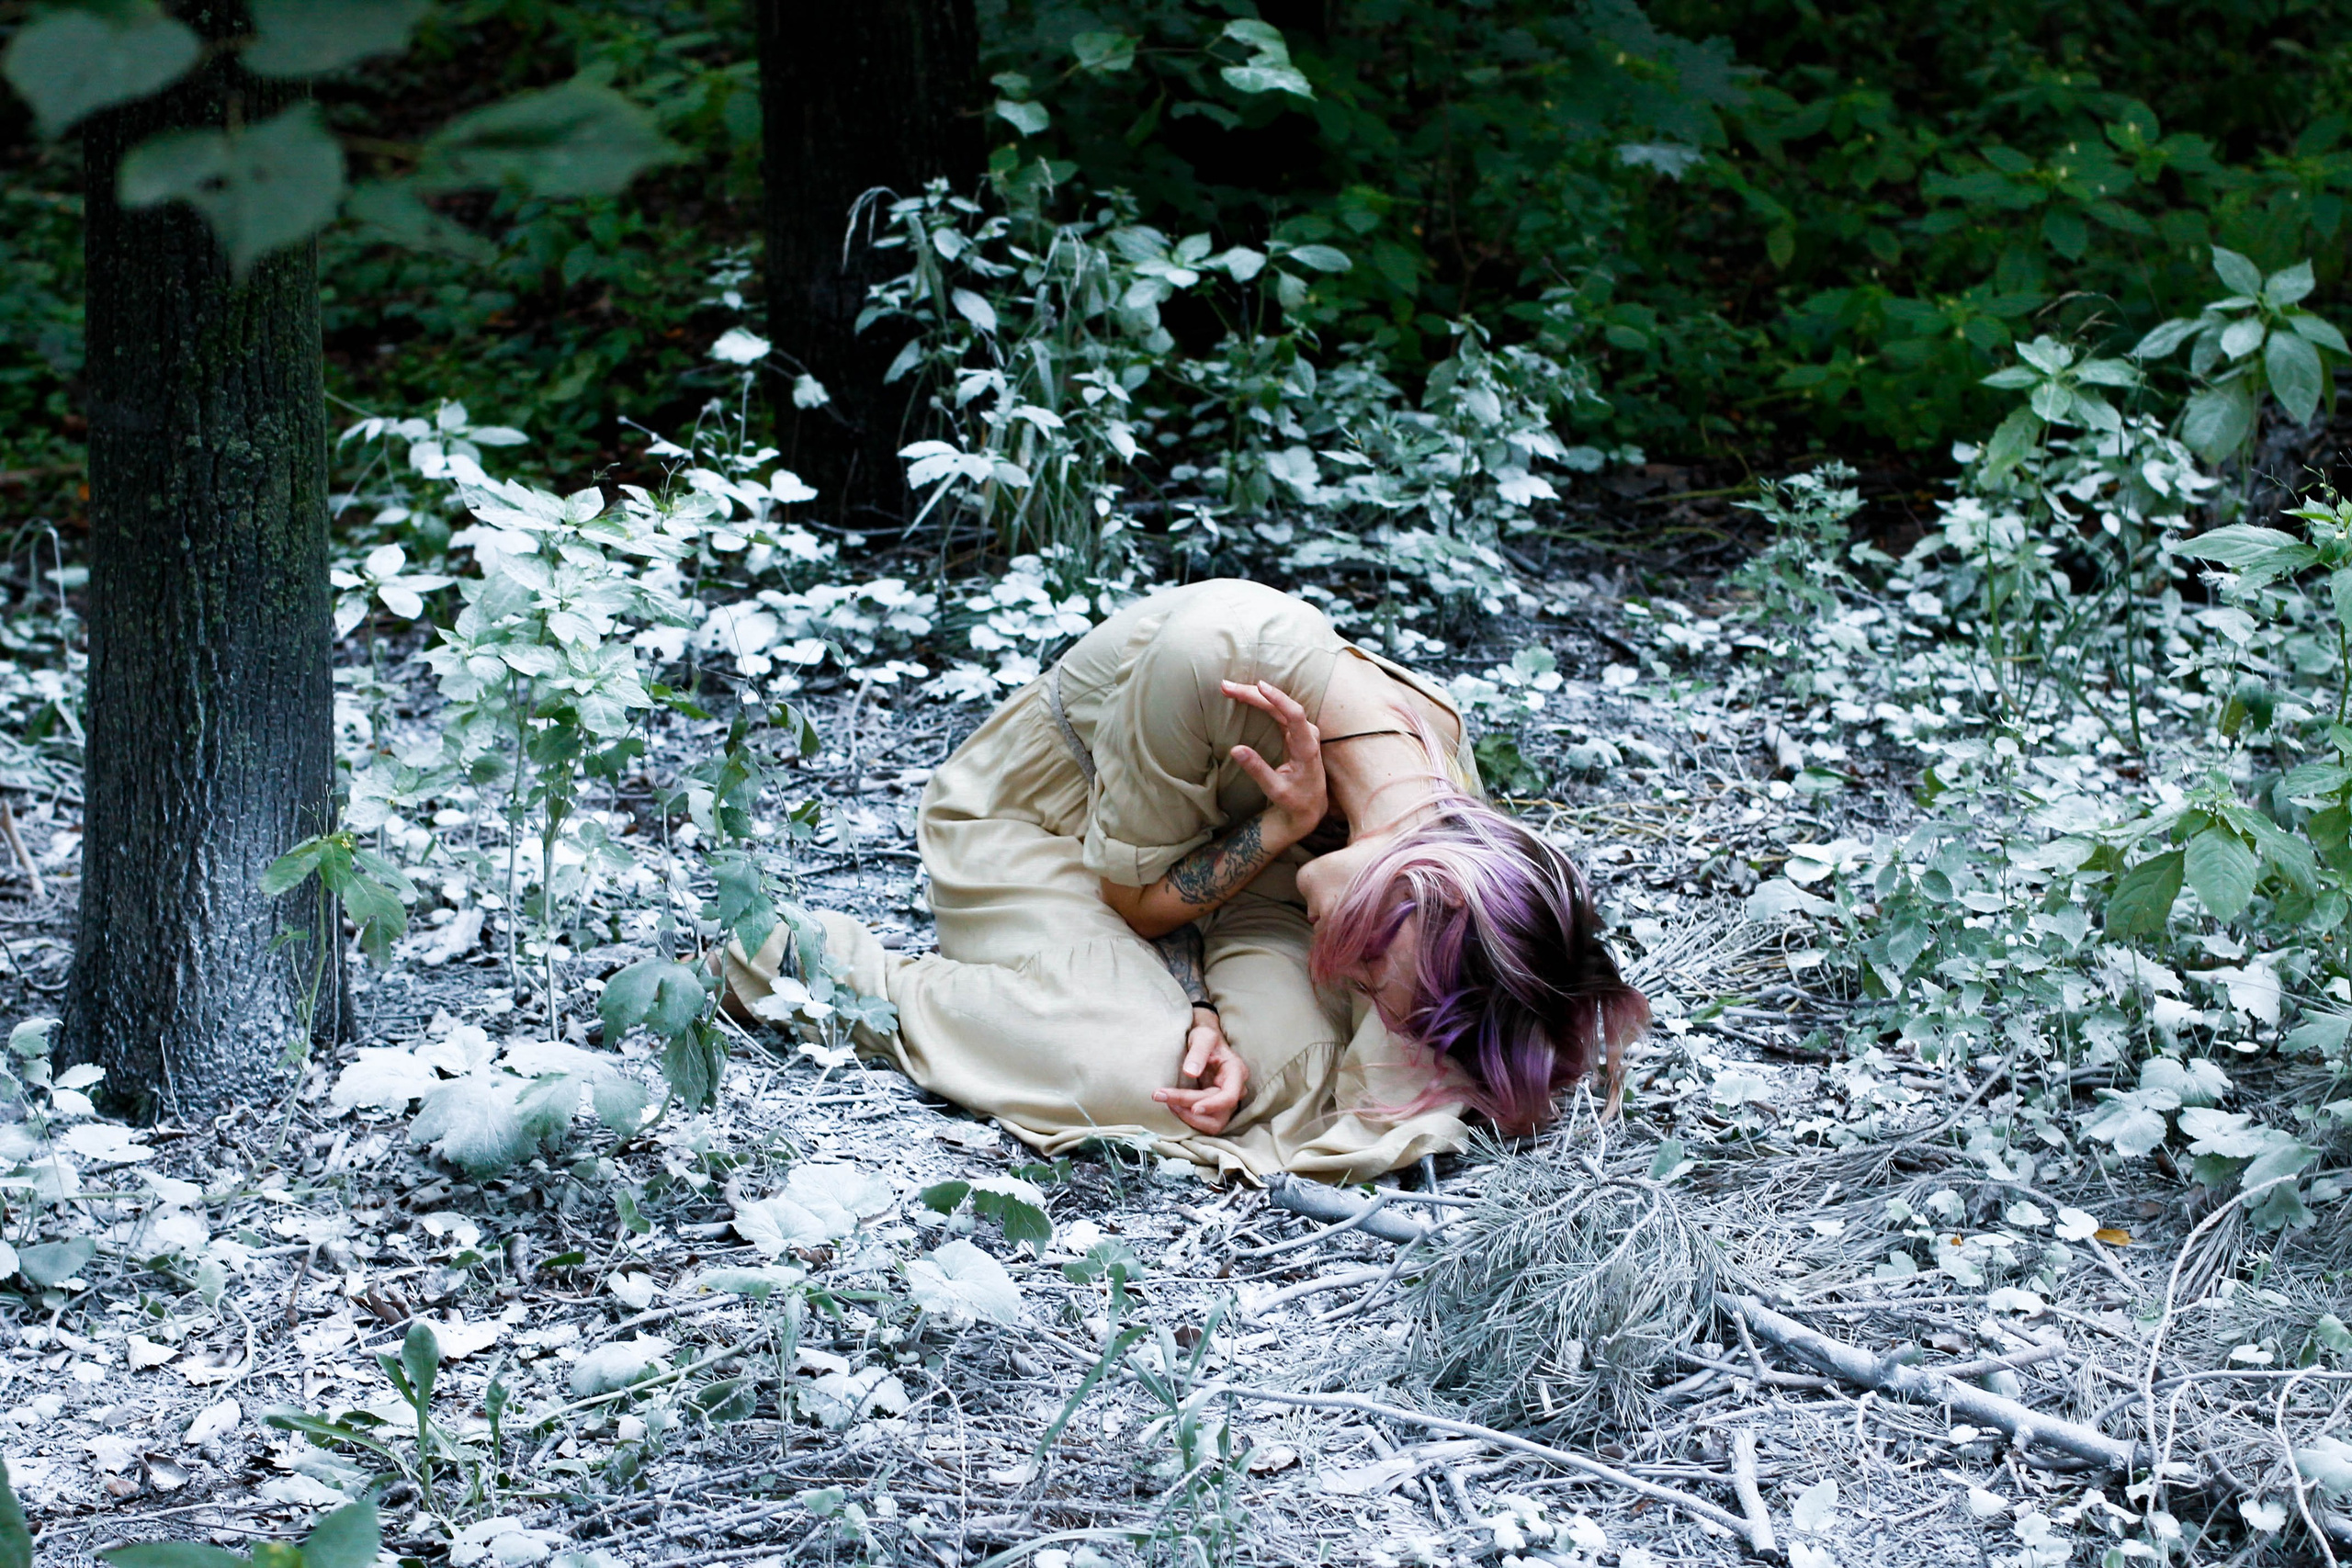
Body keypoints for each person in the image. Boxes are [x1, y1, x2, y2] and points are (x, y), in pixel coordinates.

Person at [722, 578, 1647, 1181]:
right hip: (1058, 838)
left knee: (1293, 1074)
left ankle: (1177, 1019)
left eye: (1363, 971)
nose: (1347, 980)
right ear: (1397, 895)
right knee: (1137, 1075)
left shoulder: (1453, 832)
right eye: (1365, 967)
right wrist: (1268, 854)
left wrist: (1229, 1016)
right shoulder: (1215, 657)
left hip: (1245, 880)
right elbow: (1138, 898)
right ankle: (813, 963)